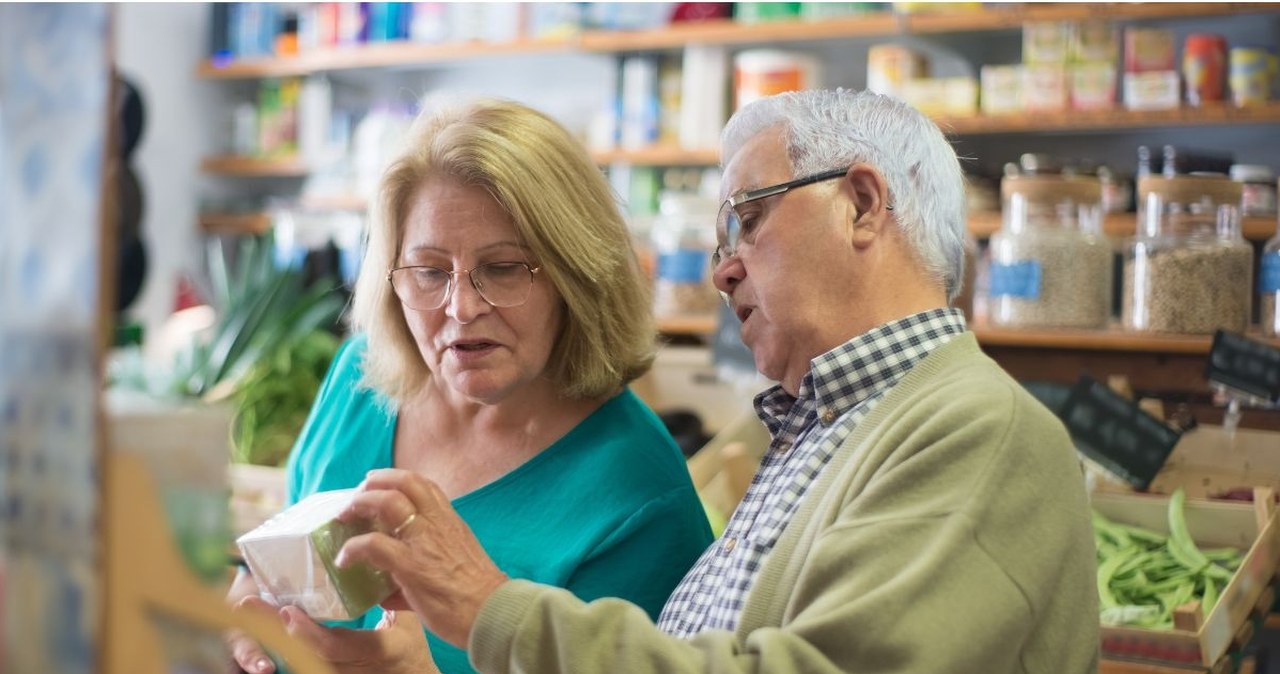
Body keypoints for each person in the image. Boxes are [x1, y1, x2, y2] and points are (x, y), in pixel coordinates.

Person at [332, 88, 1101, 673]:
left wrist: (487, 609)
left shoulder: (978, 431)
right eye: (429, 271)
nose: (721, 266)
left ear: (862, 205)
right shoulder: (833, 427)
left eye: (748, 219)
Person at [225, 98, 714, 674]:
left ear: (577, 275)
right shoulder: (360, 379)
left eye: (504, 268)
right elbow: (282, 559)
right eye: (430, 271)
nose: (461, 307)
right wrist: (245, 599)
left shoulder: (639, 501)